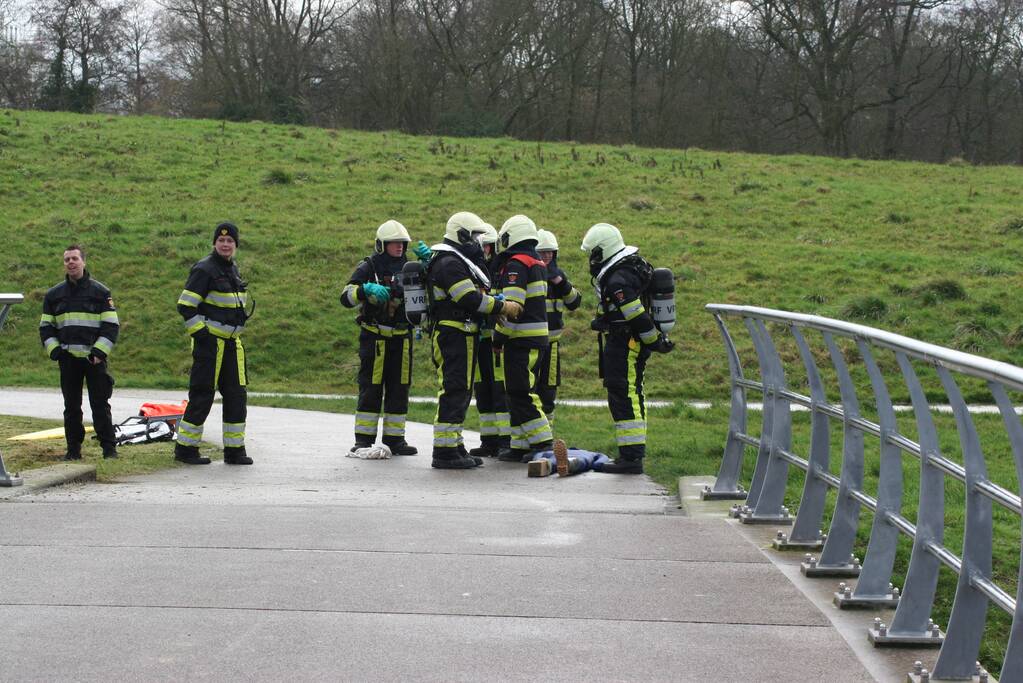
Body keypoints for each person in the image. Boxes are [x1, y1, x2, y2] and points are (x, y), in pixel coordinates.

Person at [425, 211, 521, 469]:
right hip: (452, 333)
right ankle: (444, 452)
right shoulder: (449, 263)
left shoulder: (457, 261)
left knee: (462, 390)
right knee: (454, 389)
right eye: (475, 236)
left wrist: (494, 307)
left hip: (462, 333)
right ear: (463, 235)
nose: (479, 242)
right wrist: (500, 307)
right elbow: (468, 297)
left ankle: (454, 446)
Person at [581, 223, 673, 474]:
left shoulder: (618, 279)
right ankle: (631, 453)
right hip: (629, 339)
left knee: (623, 392)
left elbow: (635, 313)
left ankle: (631, 457)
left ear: (604, 251)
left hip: (626, 342)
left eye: (594, 253)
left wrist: (653, 340)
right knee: (632, 391)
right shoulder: (628, 269)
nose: (592, 259)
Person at [339, 220, 422, 455]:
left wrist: (428, 265)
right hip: (374, 338)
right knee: (371, 388)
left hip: (401, 339)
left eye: (402, 243)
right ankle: (363, 440)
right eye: (394, 243)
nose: (399, 247)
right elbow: (345, 297)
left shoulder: (411, 267)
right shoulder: (369, 267)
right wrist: (365, 290)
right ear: (381, 245)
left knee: (399, 388)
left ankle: (396, 440)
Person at [174, 222, 252, 465]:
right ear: (214, 243)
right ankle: (185, 450)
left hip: (232, 344)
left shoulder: (232, 269)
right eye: (221, 240)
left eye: (230, 241)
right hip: (211, 344)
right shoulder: (205, 269)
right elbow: (185, 305)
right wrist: (202, 335)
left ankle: (235, 451)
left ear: (236, 245)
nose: (226, 244)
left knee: (236, 396)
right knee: (202, 395)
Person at [39, 244, 120, 460]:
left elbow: (111, 326)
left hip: (94, 360)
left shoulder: (101, 292)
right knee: (71, 408)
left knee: (100, 405)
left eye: (75, 258)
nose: (71, 263)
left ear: (83, 261)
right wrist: (56, 352)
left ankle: (109, 450)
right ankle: (73, 450)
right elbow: (46, 327)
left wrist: (99, 353)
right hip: (68, 361)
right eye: (67, 260)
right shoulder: (54, 295)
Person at [492, 215, 554, 463]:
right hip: (536, 338)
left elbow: (512, 309)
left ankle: (544, 442)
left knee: (520, 393)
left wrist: (498, 338)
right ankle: (519, 445)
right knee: (518, 391)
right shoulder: (537, 262)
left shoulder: (517, 265)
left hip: (521, 339)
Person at [469, 222, 512, 458]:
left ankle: (505, 440)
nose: (485, 250)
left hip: (496, 338)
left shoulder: (501, 269)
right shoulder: (471, 268)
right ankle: (488, 441)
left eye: (488, 246)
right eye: (481, 245)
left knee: (499, 390)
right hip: (478, 338)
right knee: (482, 390)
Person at [534, 229, 582, 424]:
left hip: (552, 346)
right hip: (532, 343)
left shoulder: (558, 276)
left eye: (550, 252)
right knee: (530, 390)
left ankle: (548, 434)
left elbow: (574, 302)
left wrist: (560, 283)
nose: (546, 256)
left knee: (548, 391)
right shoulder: (531, 274)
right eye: (542, 252)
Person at [526, 439, 611, 477]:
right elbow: (604, 457)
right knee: (582, 462)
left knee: (552, 461)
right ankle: (570, 464)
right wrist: (599, 465)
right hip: (583, 458)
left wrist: (537, 459)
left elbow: (540, 453)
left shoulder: (552, 451)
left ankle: (546, 464)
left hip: (553, 456)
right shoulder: (591, 453)